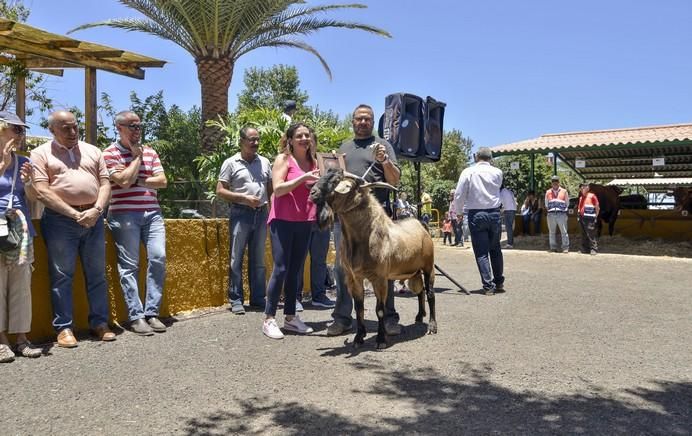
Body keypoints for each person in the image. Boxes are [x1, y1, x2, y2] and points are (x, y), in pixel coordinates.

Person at [31, 110, 115, 347]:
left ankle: (99, 323)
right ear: (52, 130)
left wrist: (97, 210)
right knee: (61, 275)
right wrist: (75, 214)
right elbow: (42, 190)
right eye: (65, 127)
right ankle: (64, 328)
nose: (72, 132)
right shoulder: (40, 153)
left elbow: (105, 184)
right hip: (60, 221)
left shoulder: (93, 151)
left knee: (97, 274)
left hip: (94, 218)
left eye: (75, 126)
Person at [327, 104, 402, 336]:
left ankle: (388, 317)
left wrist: (385, 161)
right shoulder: (344, 148)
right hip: (346, 221)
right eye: (359, 119)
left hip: (375, 220)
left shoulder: (383, 145)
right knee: (344, 267)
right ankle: (342, 318)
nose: (363, 122)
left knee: (383, 266)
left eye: (367, 119)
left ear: (372, 122)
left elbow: (395, 180)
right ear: (353, 121)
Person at [104, 111, 168, 336]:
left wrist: (138, 180)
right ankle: (136, 316)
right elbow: (121, 181)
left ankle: (152, 312)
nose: (137, 130)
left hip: (152, 213)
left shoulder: (151, 151)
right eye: (132, 126)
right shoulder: (110, 153)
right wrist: (137, 158)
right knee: (129, 266)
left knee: (158, 258)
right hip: (124, 214)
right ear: (119, 127)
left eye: (139, 126)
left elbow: (162, 181)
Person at [262, 123, 321, 339]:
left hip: (305, 220)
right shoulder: (283, 159)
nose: (304, 138)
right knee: (281, 268)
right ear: (290, 139)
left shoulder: (315, 162)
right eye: (299, 136)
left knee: (296, 270)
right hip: (282, 220)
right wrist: (303, 178)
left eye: (307, 135)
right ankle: (269, 319)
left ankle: (290, 317)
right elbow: (278, 189)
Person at [216, 126, 272, 315]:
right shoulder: (231, 163)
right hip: (240, 213)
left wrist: (271, 211)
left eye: (257, 139)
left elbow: (270, 189)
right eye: (251, 139)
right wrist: (244, 199)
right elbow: (220, 190)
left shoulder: (265, 162)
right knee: (236, 258)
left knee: (258, 260)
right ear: (241, 141)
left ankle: (258, 298)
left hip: (262, 213)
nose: (255, 143)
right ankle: (236, 299)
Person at [0, 112, 41, 362]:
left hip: (20, 229)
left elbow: (34, 197)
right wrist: (3, 164)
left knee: (21, 285)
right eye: (16, 129)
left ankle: (21, 338)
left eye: (22, 130)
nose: (20, 134)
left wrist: (28, 183)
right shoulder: (6, 160)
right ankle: (1, 340)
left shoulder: (24, 161)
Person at [453, 147, 504, 296]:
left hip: (476, 213)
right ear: (491, 158)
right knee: (495, 249)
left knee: (481, 252)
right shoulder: (498, 172)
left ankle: (488, 286)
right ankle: (499, 281)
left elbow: (459, 194)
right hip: (494, 213)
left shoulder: (468, 172)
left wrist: (459, 212)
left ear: (476, 157)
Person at [544, 175, 570, 253]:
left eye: (556, 181)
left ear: (559, 182)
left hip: (561, 214)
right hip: (551, 214)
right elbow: (546, 204)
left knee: (564, 231)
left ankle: (565, 247)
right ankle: (553, 247)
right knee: (551, 232)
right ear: (551, 183)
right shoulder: (548, 192)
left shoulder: (564, 191)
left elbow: (567, 203)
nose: (555, 183)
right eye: (553, 181)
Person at [577, 182, 600, 255]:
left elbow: (597, 207)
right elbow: (579, 208)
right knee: (583, 234)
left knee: (590, 233)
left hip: (590, 218)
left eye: (585, 186)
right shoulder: (581, 197)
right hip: (582, 217)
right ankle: (585, 249)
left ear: (588, 188)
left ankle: (594, 249)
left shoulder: (592, 196)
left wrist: (596, 216)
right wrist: (578, 215)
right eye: (582, 187)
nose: (583, 188)